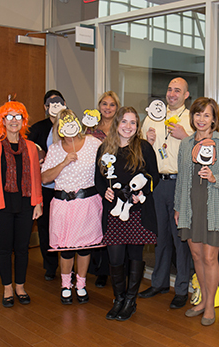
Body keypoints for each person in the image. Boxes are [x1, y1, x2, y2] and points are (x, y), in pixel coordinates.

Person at [175, 97, 219, 326]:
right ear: (192, 117)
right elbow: (181, 179)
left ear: (214, 119)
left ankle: (210, 304)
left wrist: (215, 178)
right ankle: (201, 299)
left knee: (210, 257)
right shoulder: (186, 144)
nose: (201, 119)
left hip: (214, 208)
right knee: (197, 256)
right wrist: (177, 207)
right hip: (191, 207)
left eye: (206, 115)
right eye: (198, 114)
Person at [95, 106, 160, 321]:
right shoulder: (105, 148)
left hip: (137, 211)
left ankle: (130, 300)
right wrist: (104, 190)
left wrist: (141, 191)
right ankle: (119, 298)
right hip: (114, 212)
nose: (128, 126)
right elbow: (99, 178)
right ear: (116, 124)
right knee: (115, 257)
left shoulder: (143, 148)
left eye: (133, 122)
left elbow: (154, 177)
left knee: (134, 256)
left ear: (137, 126)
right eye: (124, 121)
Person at [0, 98, 43, 307]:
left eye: (18, 116)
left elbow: (36, 177)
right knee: (5, 249)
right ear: (2, 120)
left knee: (23, 249)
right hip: (1, 207)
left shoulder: (31, 148)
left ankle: (20, 286)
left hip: (26, 205)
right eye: (9, 116)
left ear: (23, 120)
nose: (14, 120)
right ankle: (7, 288)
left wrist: (38, 203)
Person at [138, 77, 193, 310]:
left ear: (186, 95)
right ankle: (159, 282)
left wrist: (186, 137)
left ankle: (182, 288)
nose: (172, 94)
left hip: (180, 182)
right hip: (157, 182)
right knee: (159, 237)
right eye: (169, 89)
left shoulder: (191, 119)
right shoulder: (153, 115)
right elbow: (139, 149)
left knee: (180, 238)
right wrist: (146, 141)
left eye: (177, 90)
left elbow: (205, 147)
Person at [41, 109, 103, 304]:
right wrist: (64, 163)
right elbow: (44, 178)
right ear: (58, 127)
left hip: (87, 203)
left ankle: (81, 284)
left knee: (85, 248)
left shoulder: (94, 144)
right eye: (63, 123)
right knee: (66, 249)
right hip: (64, 205)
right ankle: (66, 285)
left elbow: (106, 167)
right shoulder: (55, 149)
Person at [27, 90, 66, 281]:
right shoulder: (37, 128)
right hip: (46, 189)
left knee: (67, 227)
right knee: (45, 227)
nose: (55, 106)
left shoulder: (71, 125)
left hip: (67, 187)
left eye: (58, 102)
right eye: (51, 103)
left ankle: (70, 266)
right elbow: (26, 151)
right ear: (45, 107)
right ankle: (50, 266)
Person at [86, 91, 121, 287]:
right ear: (99, 106)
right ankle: (99, 269)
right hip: (94, 182)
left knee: (112, 225)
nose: (107, 108)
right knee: (96, 224)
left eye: (112, 105)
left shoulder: (121, 128)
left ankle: (112, 268)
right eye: (104, 104)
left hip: (116, 183)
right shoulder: (90, 128)